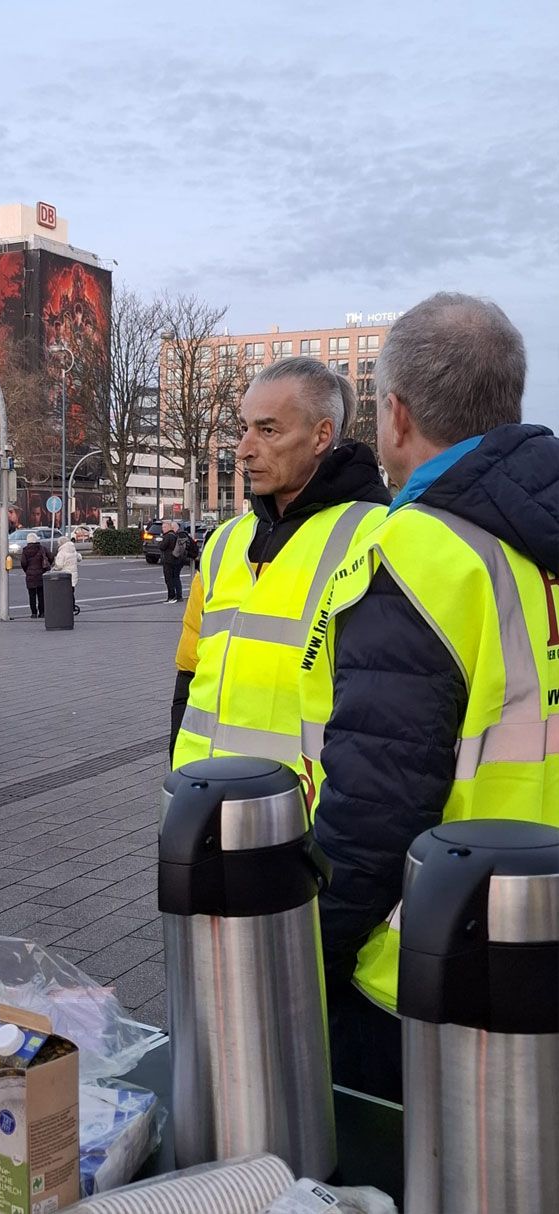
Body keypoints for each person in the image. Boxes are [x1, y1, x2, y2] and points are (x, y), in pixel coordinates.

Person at [300, 292, 559, 1102]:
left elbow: (376, 803)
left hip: (436, 966)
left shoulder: (416, 554)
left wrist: (313, 955)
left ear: (397, 415)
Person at [171, 358, 390, 767]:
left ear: (322, 435)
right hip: (203, 798)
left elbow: (385, 708)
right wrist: (180, 786)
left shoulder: (375, 535)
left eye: (267, 430)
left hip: (303, 814)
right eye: (245, 428)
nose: (243, 450)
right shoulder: (223, 542)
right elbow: (189, 676)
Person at [20, 532, 51, 618]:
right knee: (41, 595)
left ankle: (34, 613)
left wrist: (27, 570)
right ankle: (42, 612)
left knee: (32, 595)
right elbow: (50, 557)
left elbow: (23, 562)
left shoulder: (25, 550)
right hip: (41, 574)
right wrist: (45, 568)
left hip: (30, 575)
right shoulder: (42, 548)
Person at [53, 535, 81, 615]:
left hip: (64, 576)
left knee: (64, 593)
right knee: (71, 592)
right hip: (73, 576)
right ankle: (72, 607)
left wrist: (54, 568)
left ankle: (65, 607)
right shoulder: (73, 550)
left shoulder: (62, 552)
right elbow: (79, 558)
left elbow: (59, 566)